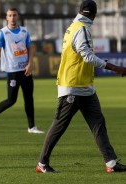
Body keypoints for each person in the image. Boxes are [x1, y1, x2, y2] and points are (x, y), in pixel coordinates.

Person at [36, 0, 126, 173]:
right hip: (73, 85)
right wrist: (115, 68)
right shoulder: (82, 29)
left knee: (98, 123)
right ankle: (42, 163)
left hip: (85, 87)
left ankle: (111, 163)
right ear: (94, 15)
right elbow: (88, 57)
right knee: (59, 126)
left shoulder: (73, 27)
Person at [0, 8, 44, 134]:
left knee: (29, 98)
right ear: (6, 17)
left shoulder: (24, 31)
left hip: (26, 70)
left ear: (18, 16)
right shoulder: (3, 33)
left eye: (14, 15)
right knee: (11, 100)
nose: (12, 18)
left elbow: (30, 48)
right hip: (13, 71)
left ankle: (31, 127)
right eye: (10, 15)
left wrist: (30, 63)